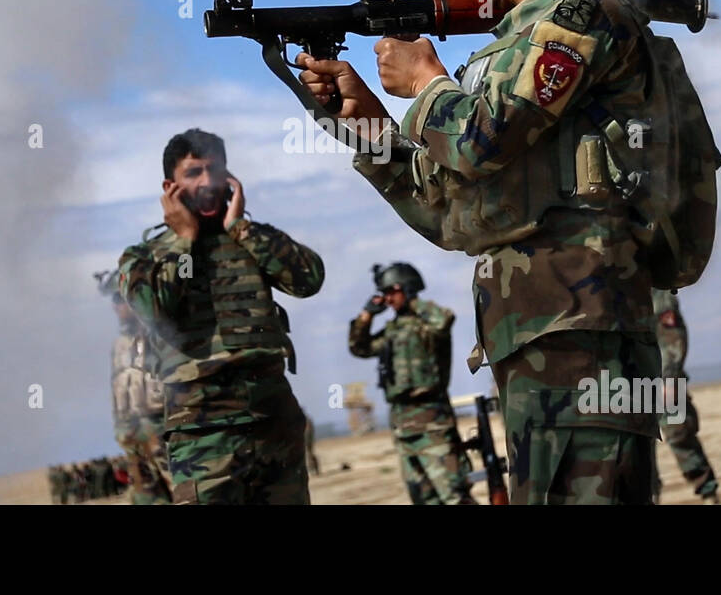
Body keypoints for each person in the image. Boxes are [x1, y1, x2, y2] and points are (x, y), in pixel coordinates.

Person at [298, 0, 667, 504]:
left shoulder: (583, 18)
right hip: (534, 345)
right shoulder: (506, 53)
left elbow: (479, 138)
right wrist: (366, 123)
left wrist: (426, 82)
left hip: (586, 339)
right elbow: (451, 209)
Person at [117, 128, 325, 504]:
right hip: (203, 435)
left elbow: (308, 279)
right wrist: (184, 241)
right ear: (170, 187)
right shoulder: (145, 256)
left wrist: (241, 227)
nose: (208, 182)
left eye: (215, 170)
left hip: (273, 421)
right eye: (194, 173)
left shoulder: (248, 238)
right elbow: (155, 309)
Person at [349, 262, 475, 505]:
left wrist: (412, 299)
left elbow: (444, 320)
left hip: (433, 425)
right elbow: (359, 347)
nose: (386, 299)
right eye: (383, 294)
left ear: (406, 288)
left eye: (391, 291)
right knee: (424, 500)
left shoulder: (427, 324)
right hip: (402, 427)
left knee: (455, 497)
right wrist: (365, 317)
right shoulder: (391, 331)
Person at [97, 268, 173, 505]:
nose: (117, 307)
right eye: (115, 302)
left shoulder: (162, 336)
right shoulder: (119, 346)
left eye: (121, 300)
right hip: (133, 439)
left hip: (163, 435)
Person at [650, 288, 719, 503]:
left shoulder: (654, 289)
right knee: (634, 452)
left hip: (662, 378)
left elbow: (672, 334)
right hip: (624, 381)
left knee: (680, 435)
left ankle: (709, 495)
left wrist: (670, 376)